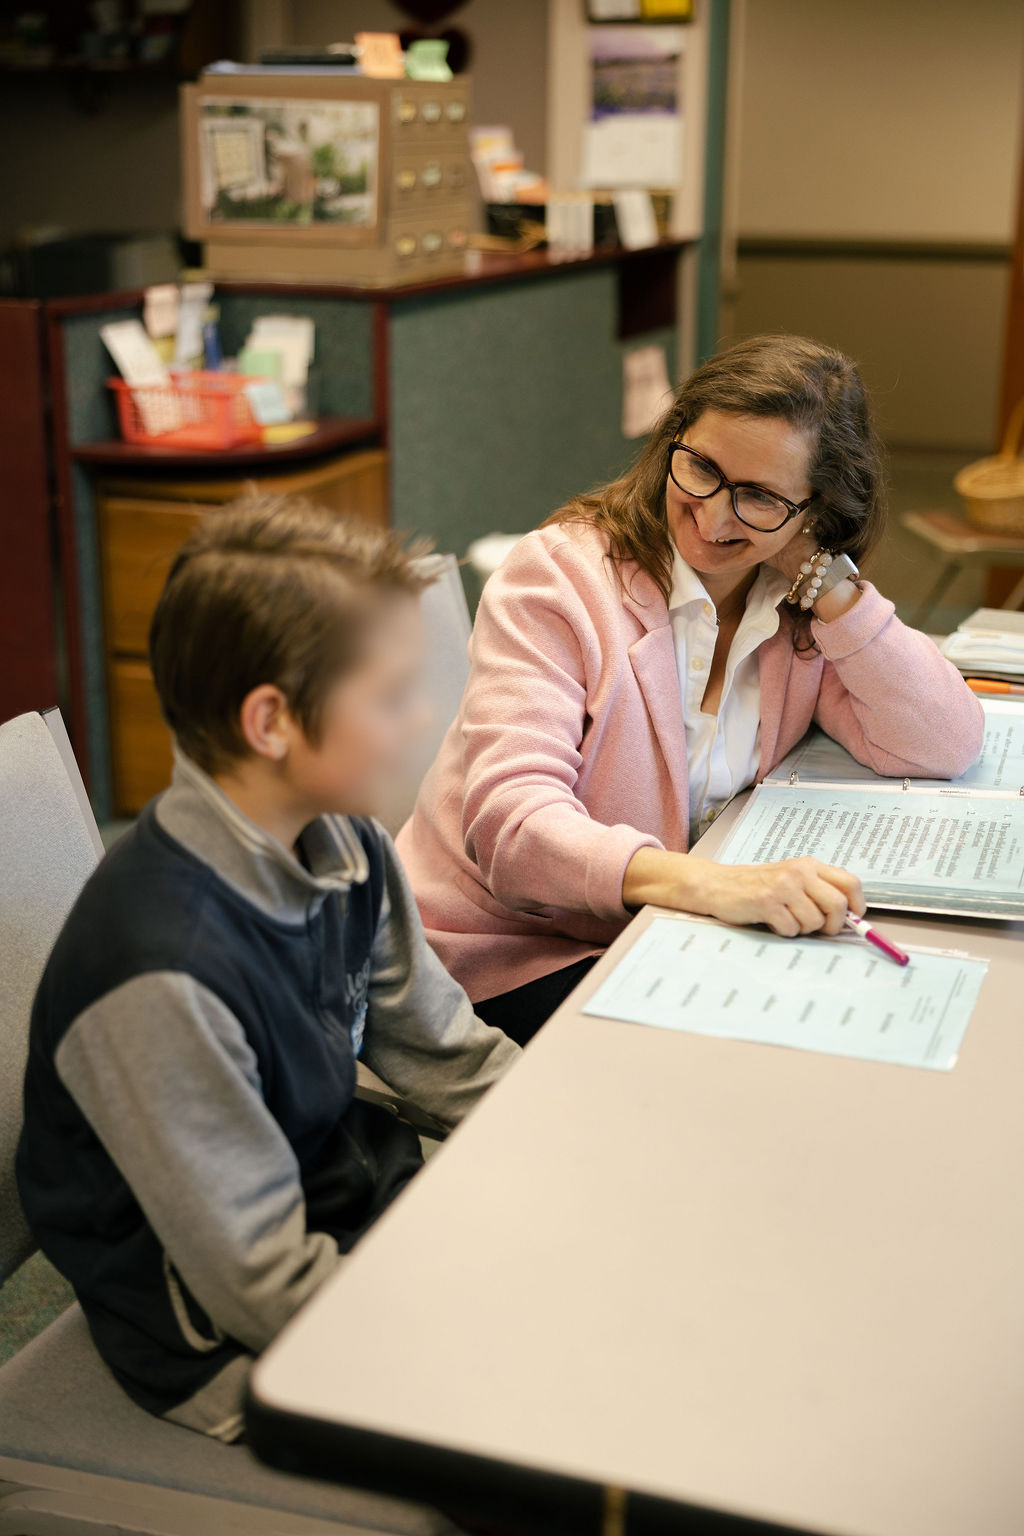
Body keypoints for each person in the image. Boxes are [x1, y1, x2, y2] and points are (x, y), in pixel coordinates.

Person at [16, 496, 520, 1442]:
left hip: (344, 1204)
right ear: (271, 722)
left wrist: (571, 1135)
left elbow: (448, 1054)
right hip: (226, 1341)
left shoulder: (346, 841)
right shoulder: (165, 979)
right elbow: (263, 1289)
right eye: (389, 695)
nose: (422, 720)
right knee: (559, 1421)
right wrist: (481, 1318)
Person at [396, 334, 985, 1045]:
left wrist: (833, 586)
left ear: (816, 513)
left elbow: (941, 741)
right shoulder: (557, 578)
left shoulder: (798, 607)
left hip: (657, 932)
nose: (712, 517)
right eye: (701, 467)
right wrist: (716, 888)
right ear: (672, 441)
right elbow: (513, 829)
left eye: (761, 497)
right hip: (504, 952)